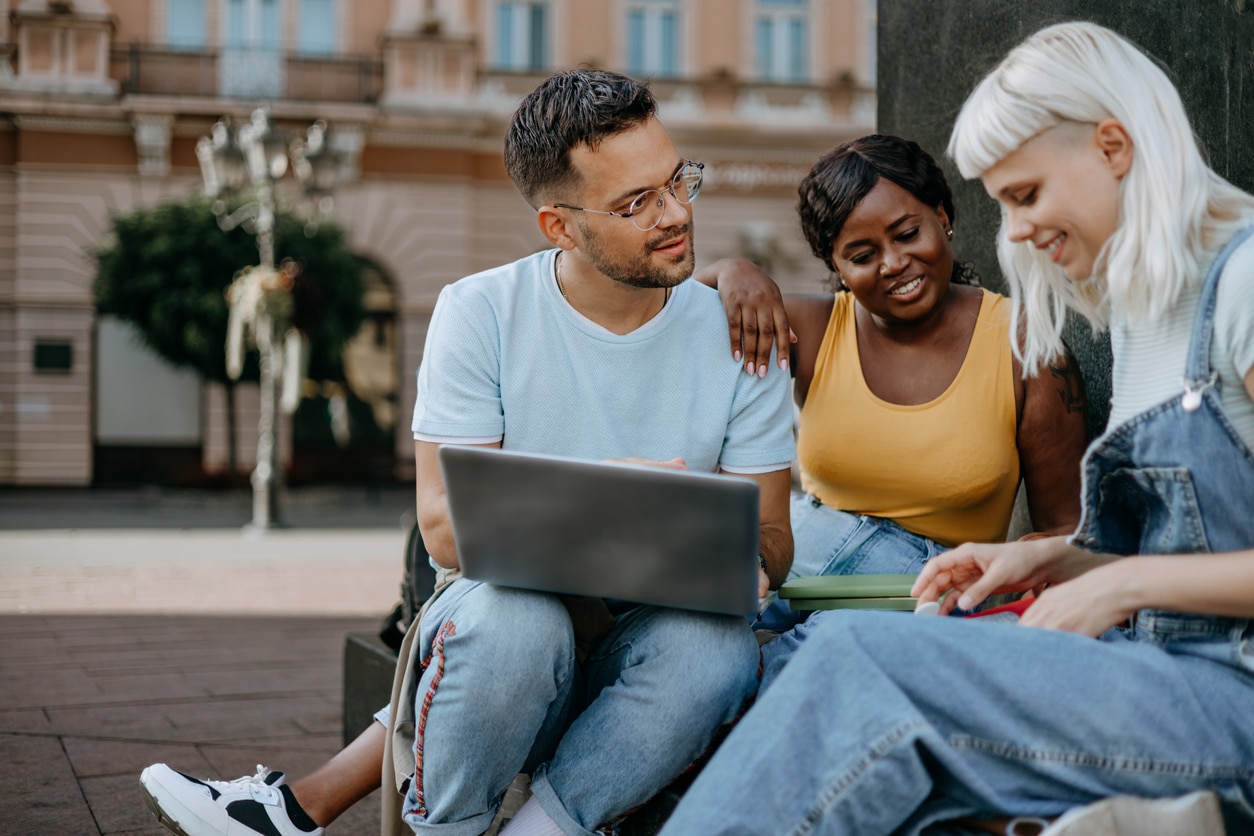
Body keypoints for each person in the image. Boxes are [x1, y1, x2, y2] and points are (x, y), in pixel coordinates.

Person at [139, 69, 796, 836]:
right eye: (635, 203)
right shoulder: (479, 312)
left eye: (679, 181)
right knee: (515, 617)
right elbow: (446, 530)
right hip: (498, 652)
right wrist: (607, 501)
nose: (677, 213)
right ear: (559, 226)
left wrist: (746, 558)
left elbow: (775, 541)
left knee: (715, 650)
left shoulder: (735, 334)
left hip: (649, 665)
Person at [657, 20, 1254, 835]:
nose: (1012, 234)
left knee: (856, 661)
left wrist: (1119, 584)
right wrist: (1045, 557)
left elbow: (1160, 581)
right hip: (1155, 668)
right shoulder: (1152, 307)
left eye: (1026, 195)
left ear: (1114, 147)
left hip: (1228, 698)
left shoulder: (1245, 282)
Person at [697, 134, 1088, 678]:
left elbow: (1066, 533)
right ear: (834, 263)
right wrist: (732, 271)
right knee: (694, 647)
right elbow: (676, 324)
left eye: (908, 234)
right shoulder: (812, 329)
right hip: (805, 563)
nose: (894, 264)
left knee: (783, 674)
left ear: (944, 215)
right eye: (861, 255)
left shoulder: (1028, 349)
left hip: (922, 589)